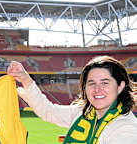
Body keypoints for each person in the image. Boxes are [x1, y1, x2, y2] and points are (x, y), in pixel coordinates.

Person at [7, 55, 137, 144]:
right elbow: (48, 111)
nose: (97, 89)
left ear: (120, 86)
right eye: (91, 83)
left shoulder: (127, 128)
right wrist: (25, 79)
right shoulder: (82, 112)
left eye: (105, 83)